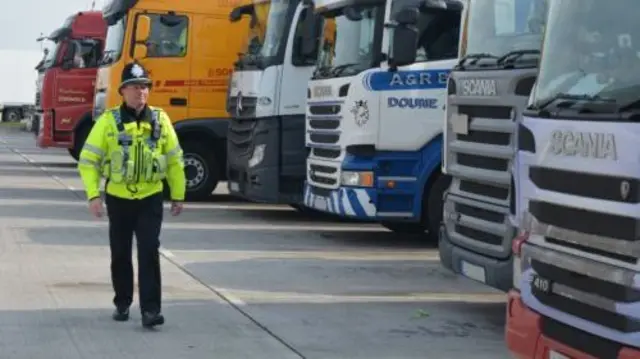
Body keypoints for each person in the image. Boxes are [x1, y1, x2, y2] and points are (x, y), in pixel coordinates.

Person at [77, 61, 186, 328]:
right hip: (118, 198)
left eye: (145, 87)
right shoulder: (108, 122)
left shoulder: (161, 120)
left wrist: (178, 194)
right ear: (123, 91)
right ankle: (123, 302)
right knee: (120, 253)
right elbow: (88, 161)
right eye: (135, 87)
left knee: (149, 250)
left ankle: (151, 311)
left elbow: (174, 160)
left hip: (150, 198)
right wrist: (93, 195)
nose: (141, 92)